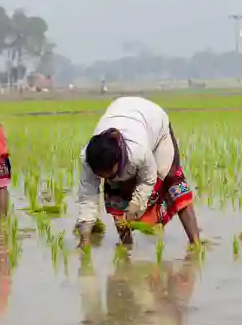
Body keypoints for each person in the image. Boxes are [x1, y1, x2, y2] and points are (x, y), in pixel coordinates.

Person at [75, 96, 201, 248]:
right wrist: (85, 234)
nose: (107, 178)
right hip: (125, 113)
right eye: (102, 176)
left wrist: (136, 204)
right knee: (115, 192)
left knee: (172, 180)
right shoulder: (88, 158)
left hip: (155, 123)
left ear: (118, 160)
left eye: (110, 174)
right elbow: (88, 195)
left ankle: (196, 243)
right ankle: (127, 247)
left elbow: (148, 179)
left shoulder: (138, 151)